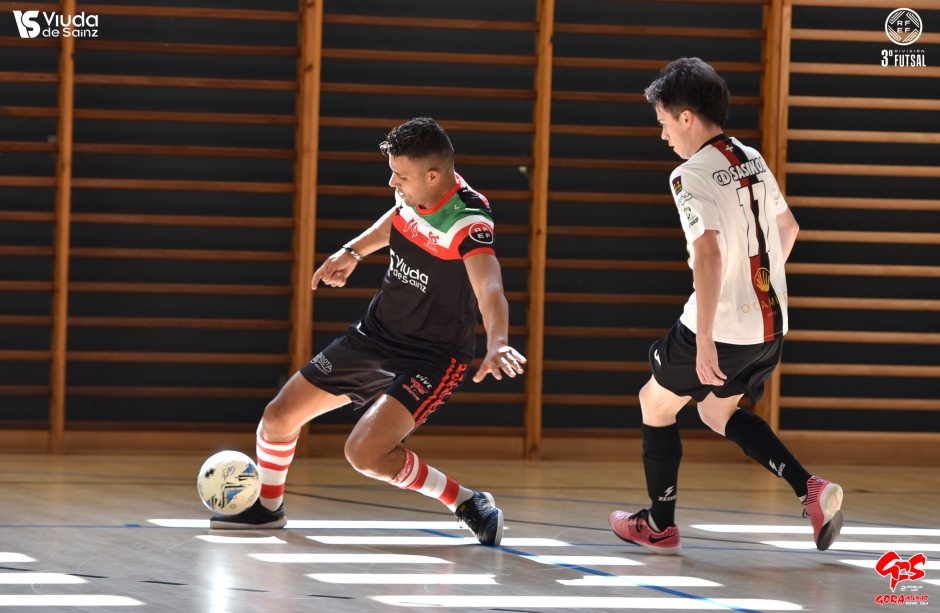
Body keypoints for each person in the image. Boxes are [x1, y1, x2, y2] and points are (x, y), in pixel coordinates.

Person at [211, 117, 526, 546]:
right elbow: (397, 218)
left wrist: (498, 342)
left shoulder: (467, 223)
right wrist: (353, 251)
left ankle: (466, 501)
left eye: (400, 175)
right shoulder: (415, 192)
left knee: (365, 453)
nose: (392, 182)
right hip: (376, 334)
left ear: (434, 176)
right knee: (278, 418)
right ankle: (267, 508)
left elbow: (490, 287)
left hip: (432, 354)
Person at [609, 58, 843, 554]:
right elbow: (788, 228)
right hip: (771, 326)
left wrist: (706, 340)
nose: (664, 135)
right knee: (717, 412)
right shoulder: (750, 156)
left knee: (654, 402)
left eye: (664, 123)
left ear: (686, 116)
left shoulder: (688, 175)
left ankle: (659, 525)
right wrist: (754, 287)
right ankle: (810, 489)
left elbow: (709, 255)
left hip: (720, 330)